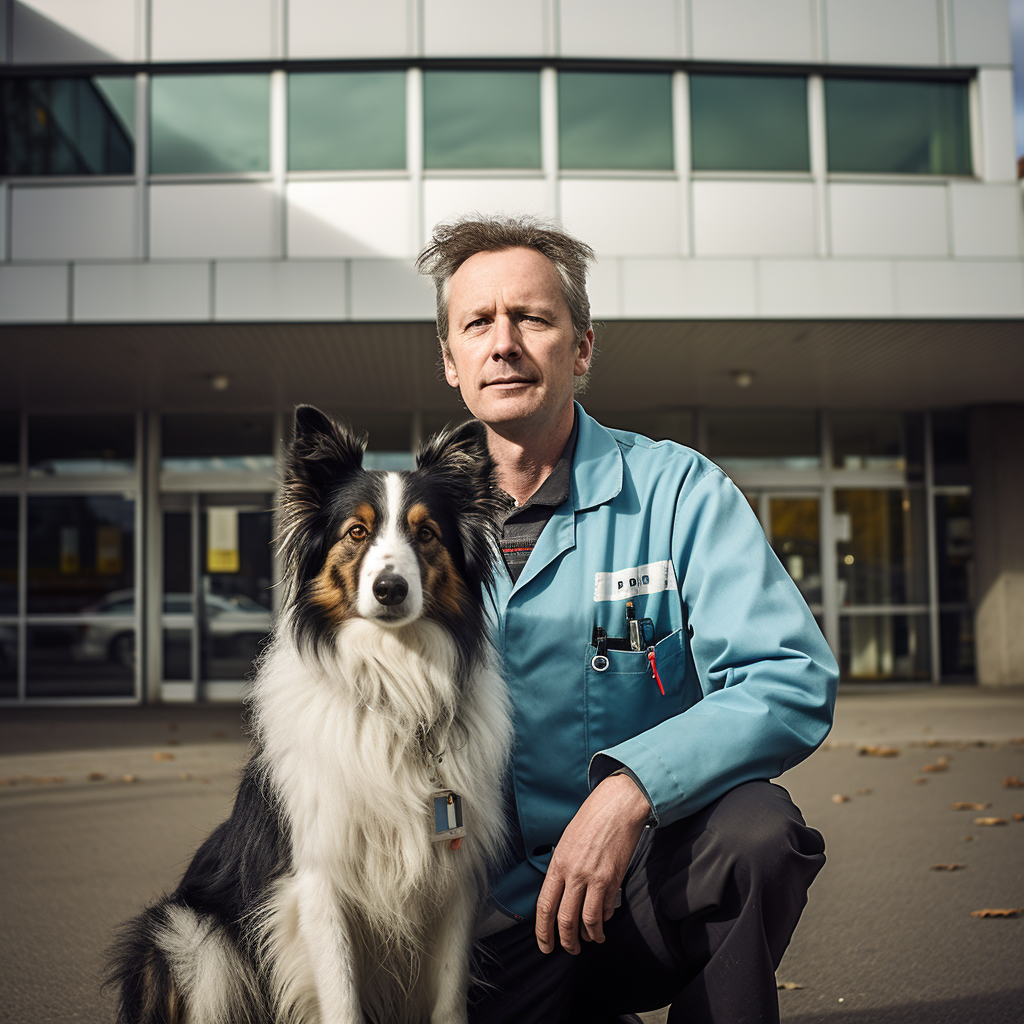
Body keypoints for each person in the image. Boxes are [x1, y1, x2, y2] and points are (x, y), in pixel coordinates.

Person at [416, 216, 839, 1024]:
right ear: (451, 361)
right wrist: (441, 844)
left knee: (756, 835)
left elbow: (788, 676)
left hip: (638, 892)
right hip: (479, 929)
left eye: (532, 318)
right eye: (477, 323)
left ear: (580, 348)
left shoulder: (680, 492)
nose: (503, 343)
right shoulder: (408, 533)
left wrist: (633, 788)